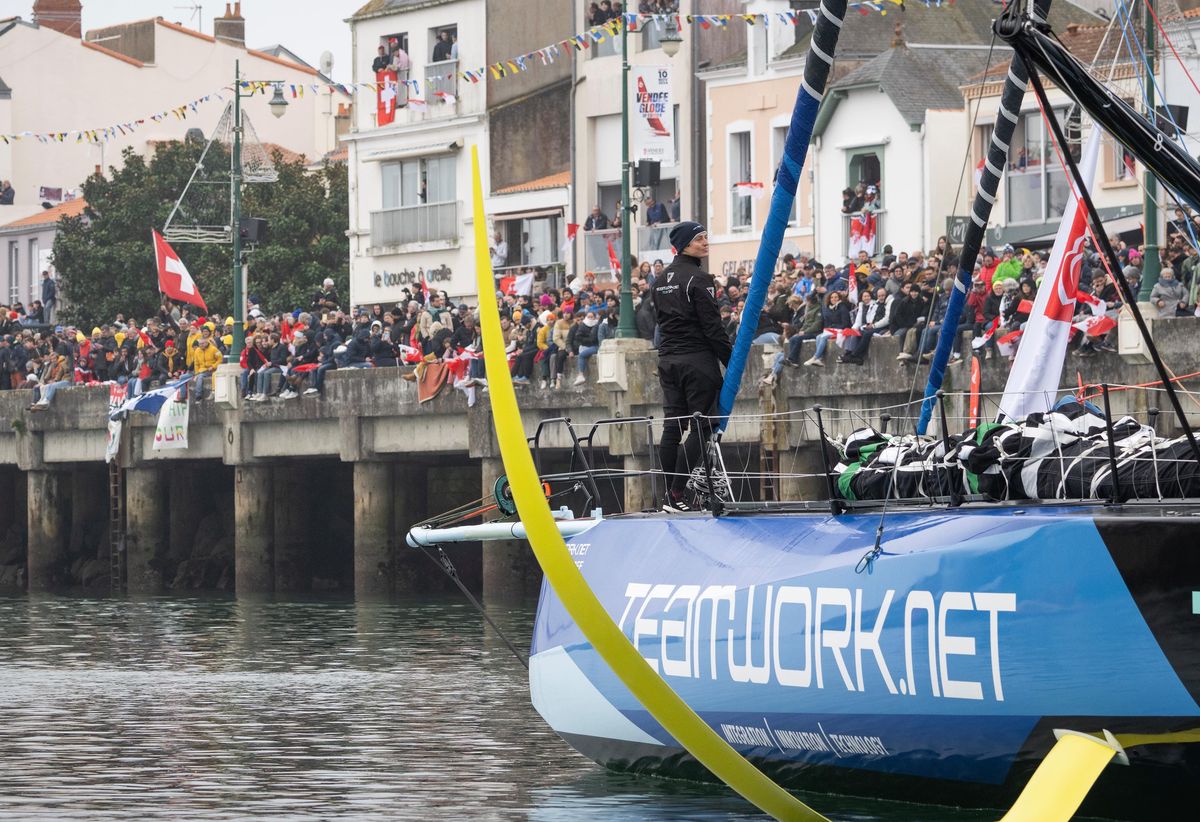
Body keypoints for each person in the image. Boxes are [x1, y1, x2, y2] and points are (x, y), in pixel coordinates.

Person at [651, 222, 731, 512]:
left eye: (706, 236)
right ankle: (677, 491)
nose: (705, 242)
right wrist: (730, 360)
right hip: (696, 360)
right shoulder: (700, 278)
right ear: (684, 245)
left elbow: (661, 324)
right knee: (702, 423)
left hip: (668, 360)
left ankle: (668, 496)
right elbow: (713, 327)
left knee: (672, 426)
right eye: (699, 238)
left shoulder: (658, 282)